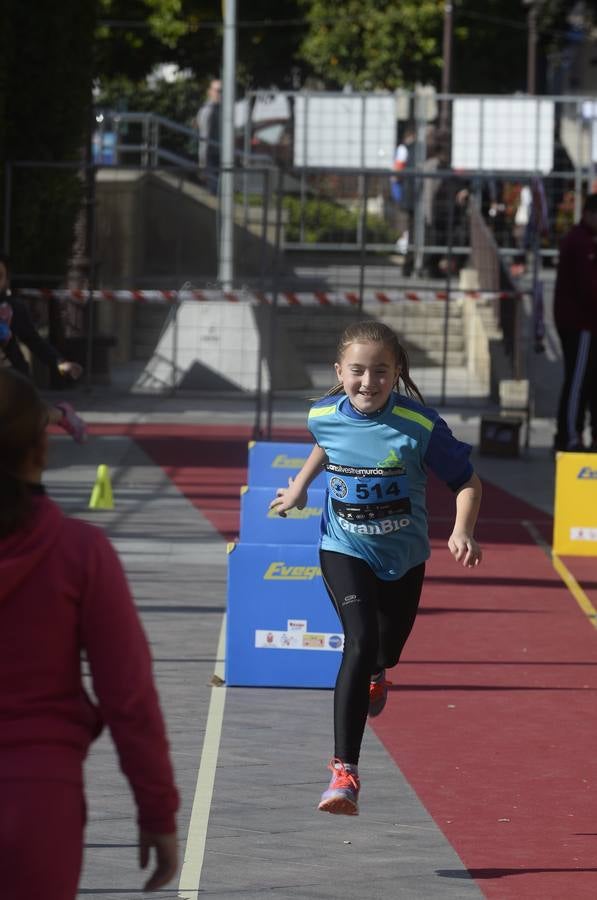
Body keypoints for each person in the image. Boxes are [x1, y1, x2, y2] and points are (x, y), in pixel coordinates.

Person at [269, 320, 482, 816]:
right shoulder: (322, 413)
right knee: (359, 643)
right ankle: (344, 773)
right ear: (339, 371)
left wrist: (463, 529)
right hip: (343, 546)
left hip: (403, 557)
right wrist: (301, 486)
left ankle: (379, 672)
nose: (368, 383)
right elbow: (328, 442)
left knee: (386, 649)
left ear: (396, 373)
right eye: (358, 372)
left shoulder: (421, 426)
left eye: (381, 372)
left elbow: (468, 482)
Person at [0, 368, 179, 898]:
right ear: (40, 450)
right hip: (37, 802)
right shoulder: (80, 554)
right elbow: (130, 697)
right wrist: (158, 812)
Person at [0, 251, 87, 442]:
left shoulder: (13, 309)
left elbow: (34, 341)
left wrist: (59, 362)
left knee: (30, 418)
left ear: (5, 281)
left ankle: (63, 414)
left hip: (12, 377)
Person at [553, 193, 597, 452]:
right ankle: (569, 435)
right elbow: (587, 287)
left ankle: (580, 433)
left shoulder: (588, 240)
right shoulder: (580, 241)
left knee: (590, 381)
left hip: (588, 324)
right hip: (580, 324)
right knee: (578, 381)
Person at [196, 78, 221, 195]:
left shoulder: (221, 109)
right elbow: (204, 137)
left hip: (221, 154)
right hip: (211, 156)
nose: (219, 93)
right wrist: (202, 162)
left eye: (221, 91)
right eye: (217, 90)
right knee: (213, 192)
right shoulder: (208, 110)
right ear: (210, 92)